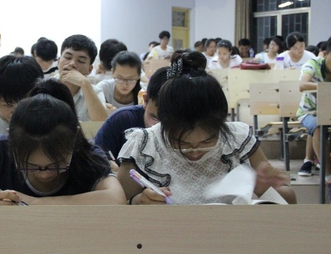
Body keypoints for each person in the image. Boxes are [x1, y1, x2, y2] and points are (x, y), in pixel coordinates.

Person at [117, 51, 296, 205]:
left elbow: (289, 204)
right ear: (163, 124)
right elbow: (116, 206)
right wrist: (138, 201)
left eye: (207, 142)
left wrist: (271, 189)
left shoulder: (237, 139)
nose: (195, 151)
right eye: (182, 144)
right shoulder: (145, 145)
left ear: (221, 125)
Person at [0, 80, 126, 205]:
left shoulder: (87, 154)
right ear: (12, 141)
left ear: (74, 140)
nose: (45, 174)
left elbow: (116, 198)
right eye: (31, 166)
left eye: (56, 164)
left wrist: (38, 203)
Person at [94, 66, 168, 160]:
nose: (159, 128)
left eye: (171, 124)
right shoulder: (121, 121)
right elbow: (96, 159)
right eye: (155, 118)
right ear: (145, 101)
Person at [295, 37, 331, 184]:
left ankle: (310, 160)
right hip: (308, 112)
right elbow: (302, 85)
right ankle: (328, 174)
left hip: (328, 113)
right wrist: (325, 87)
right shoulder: (313, 64)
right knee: (317, 125)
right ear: (325, 54)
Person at [57, 34, 108, 122]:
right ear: (58, 61)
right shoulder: (45, 86)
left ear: (90, 69)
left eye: (81, 61)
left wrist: (84, 83)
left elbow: (101, 123)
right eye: (68, 57)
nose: (72, 64)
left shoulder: (95, 91)